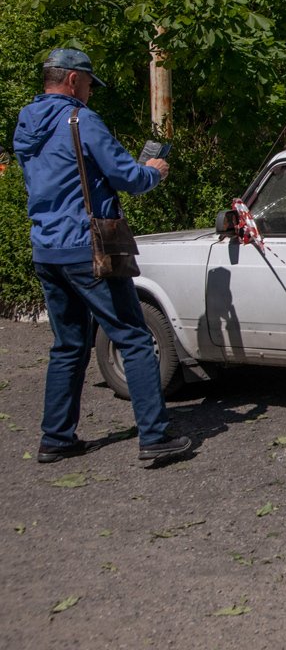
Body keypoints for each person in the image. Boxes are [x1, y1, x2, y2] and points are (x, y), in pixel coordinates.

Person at [13, 48, 192, 464]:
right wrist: (154, 172)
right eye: (90, 84)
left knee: (68, 345)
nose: (91, 92)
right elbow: (127, 178)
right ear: (74, 80)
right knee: (132, 335)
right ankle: (155, 437)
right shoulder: (81, 119)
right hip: (89, 247)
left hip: (46, 248)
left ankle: (55, 438)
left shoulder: (25, 123)